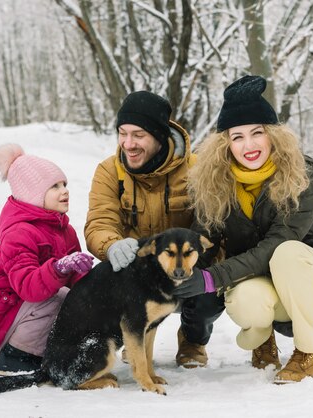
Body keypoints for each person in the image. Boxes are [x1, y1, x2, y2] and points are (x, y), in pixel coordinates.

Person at [175, 75, 313, 383]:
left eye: (257, 133)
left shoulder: (301, 176)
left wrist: (213, 277)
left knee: (286, 252)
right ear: (225, 143)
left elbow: (278, 242)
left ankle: (310, 352)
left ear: (273, 136)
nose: (249, 145)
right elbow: (203, 240)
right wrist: (181, 273)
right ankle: (260, 340)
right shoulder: (215, 183)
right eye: (237, 136)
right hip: (261, 276)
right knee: (243, 298)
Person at [84, 91, 223, 368]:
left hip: (184, 266)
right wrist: (111, 244)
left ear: (159, 136)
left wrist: (200, 267)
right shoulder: (110, 172)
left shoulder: (197, 170)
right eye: (122, 133)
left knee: (210, 290)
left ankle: (192, 340)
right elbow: (101, 220)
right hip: (137, 271)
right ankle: (128, 339)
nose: (128, 144)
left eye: (138, 135)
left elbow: (211, 226)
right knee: (98, 285)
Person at [0, 143, 93, 376]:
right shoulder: (20, 233)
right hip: (2, 314)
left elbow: (76, 281)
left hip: (25, 310)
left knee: (75, 300)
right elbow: (29, 287)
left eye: (64, 184)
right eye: (54, 187)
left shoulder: (63, 229)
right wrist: (59, 268)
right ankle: (17, 356)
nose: (64, 191)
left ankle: (51, 350)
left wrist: (93, 287)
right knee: (58, 298)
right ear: (32, 194)